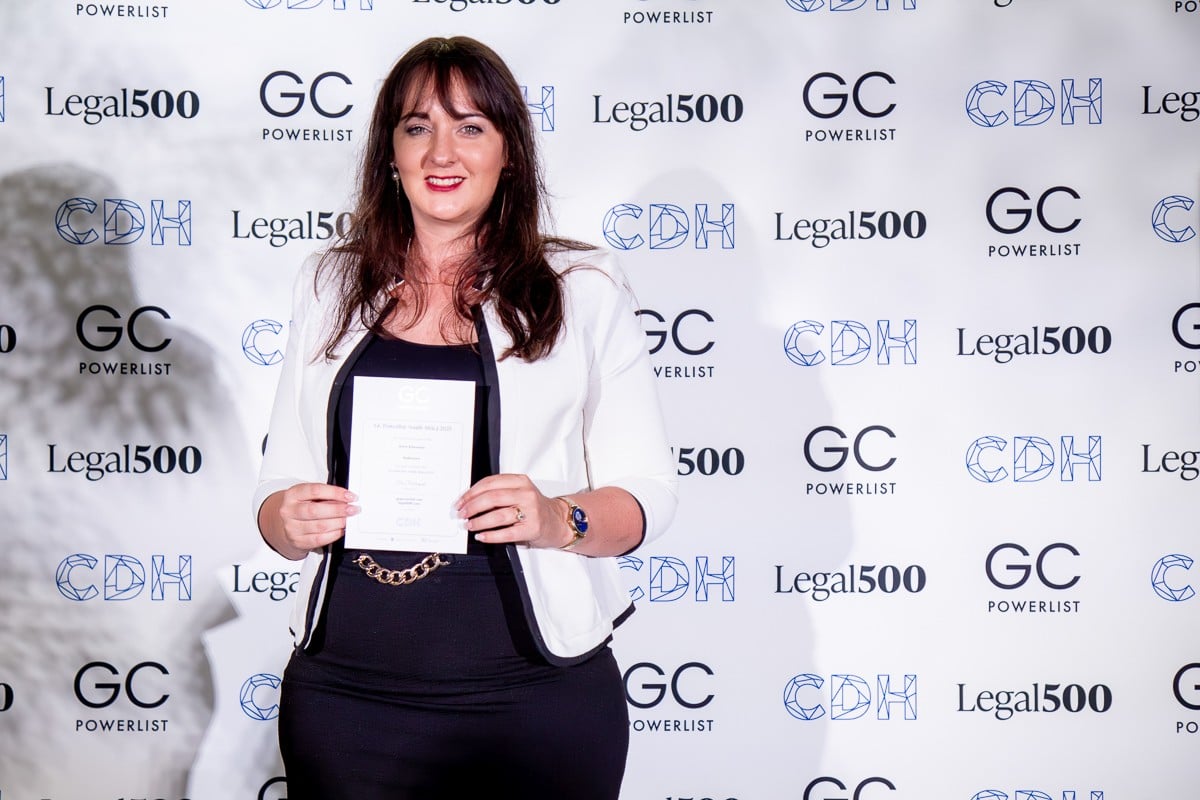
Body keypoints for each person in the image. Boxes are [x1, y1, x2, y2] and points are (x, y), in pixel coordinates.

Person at [252, 36, 677, 799]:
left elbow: (646, 494)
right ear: (390, 152)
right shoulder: (328, 283)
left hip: (534, 698)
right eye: (417, 126)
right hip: (347, 702)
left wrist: (557, 518)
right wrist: (287, 520)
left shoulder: (583, 287)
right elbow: (277, 483)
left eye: (471, 126)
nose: (441, 152)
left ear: (509, 151)